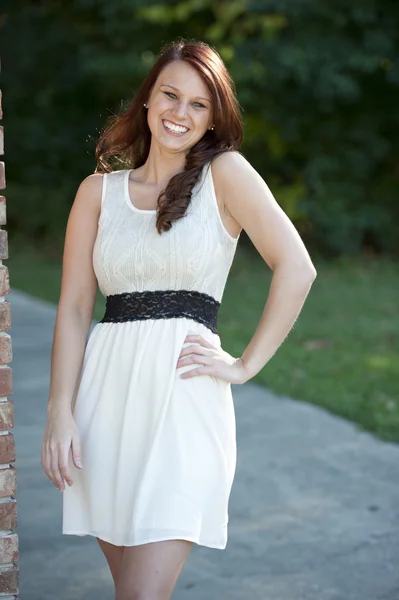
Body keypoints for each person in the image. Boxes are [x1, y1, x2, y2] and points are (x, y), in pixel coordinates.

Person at [41, 38, 317, 600]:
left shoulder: (227, 175)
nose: (180, 113)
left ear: (213, 118)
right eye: (170, 95)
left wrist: (244, 364)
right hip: (105, 405)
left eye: (198, 104)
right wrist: (59, 411)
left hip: (184, 403)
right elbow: (73, 308)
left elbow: (297, 267)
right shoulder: (98, 193)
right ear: (147, 101)